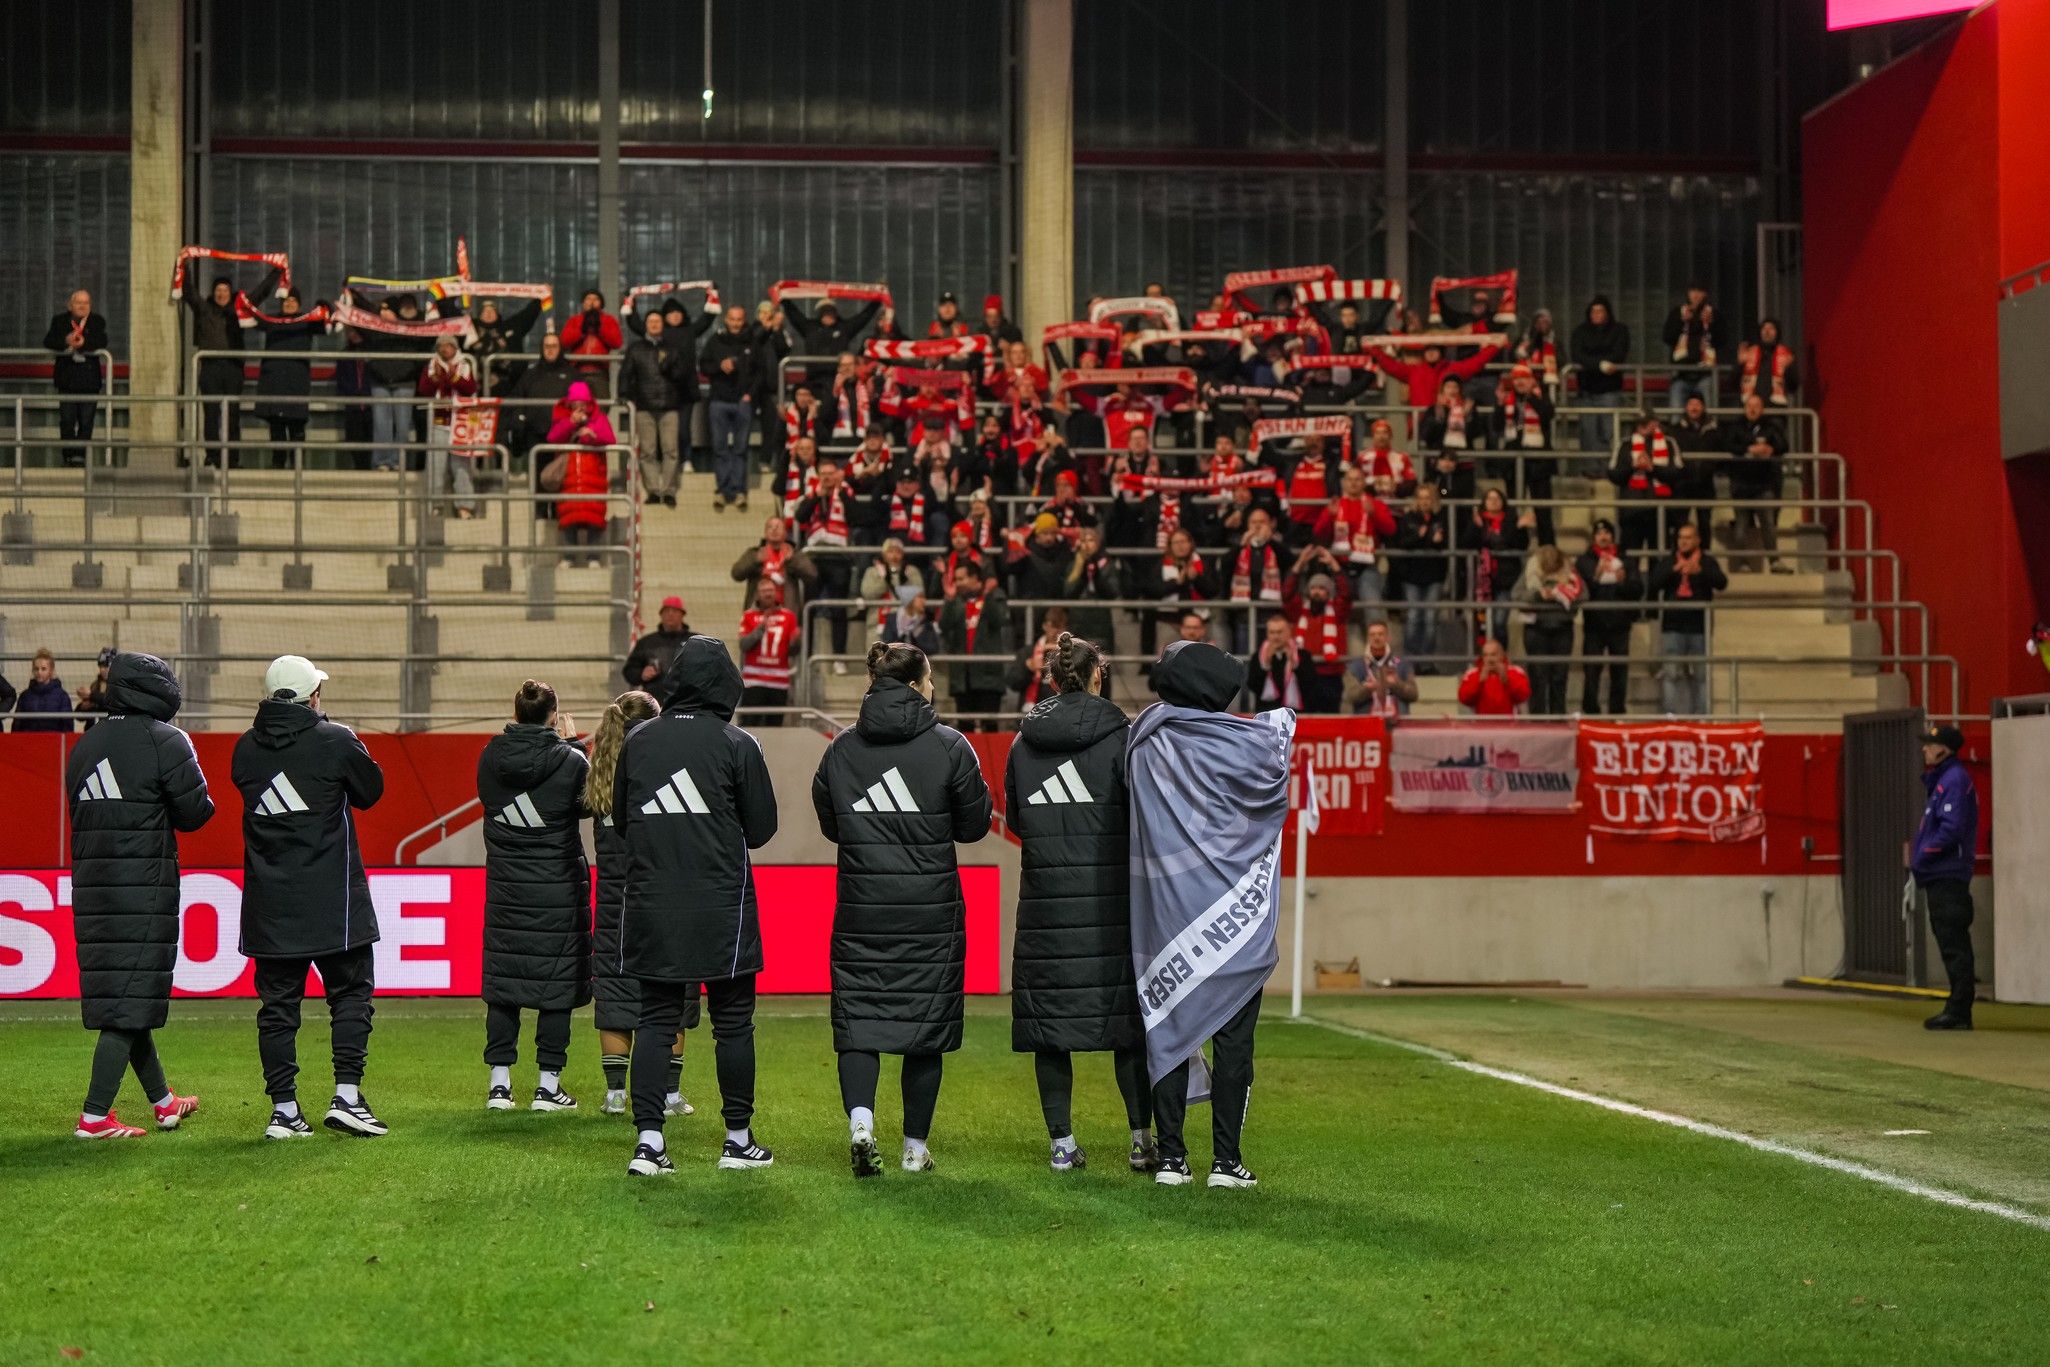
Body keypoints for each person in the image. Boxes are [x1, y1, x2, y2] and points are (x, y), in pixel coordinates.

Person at [811, 641, 993, 1177]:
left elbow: (831, 823)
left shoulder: (841, 749)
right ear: (916, 684)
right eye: (931, 678)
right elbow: (975, 824)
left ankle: (862, 1124)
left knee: (860, 1021)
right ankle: (915, 1149)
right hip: (930, 911)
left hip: (862, 907)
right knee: (925, 1026)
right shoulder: (951, 745)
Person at [1129, 638, 1293, 1188]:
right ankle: (1227, 1161)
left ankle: (1172, 1159)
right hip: (1234, 922)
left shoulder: (1147, 740)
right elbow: (1275, 753)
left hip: (1169, 916)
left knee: (1168, 1027)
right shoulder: (1244, 742)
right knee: (1235, 1044)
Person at [615, 636, 780, 1176]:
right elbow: (761, 830)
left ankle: (649, 1144)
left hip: (651, 901)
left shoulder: (637, 741)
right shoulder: (738, 744)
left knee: (657, 1020)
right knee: (733, 1023)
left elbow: (619, 817)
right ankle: (737, 1139)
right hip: (721, 906)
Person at [1003, 632, 1154, 1174]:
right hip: (1113, 908)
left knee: (1051, 1030)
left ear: (1050, 680)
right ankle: (1142, 1141)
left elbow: (1017, 822)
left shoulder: (1023, 746)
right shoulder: (1126, 740)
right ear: (1098, 676)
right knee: (1128, 1028)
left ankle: (1062, 1145)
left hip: (1045, 909)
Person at [231, 655, 387, 1139]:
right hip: (333, 903)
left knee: (277, 1010)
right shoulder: (335, 739)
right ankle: (347, 1097)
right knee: (351, 997)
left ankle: (283, 1110)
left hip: (270, 904)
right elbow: (371, 791)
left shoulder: (244, 749)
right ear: (311, 696)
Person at [65, 652, 214, 1139]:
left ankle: (164, 1103)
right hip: (144, 889)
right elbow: (196, 813)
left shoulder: (84, 746)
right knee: (130, 1000)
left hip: (93, 888)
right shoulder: (165, 741)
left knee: (128, 997)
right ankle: (94, 1117)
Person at [475, 679, 592, 1113]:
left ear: (516, 712)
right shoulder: (570, 759)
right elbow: (588, 804)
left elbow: (489, 798)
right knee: (556, 983)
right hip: (556, 888)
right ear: (553, 716)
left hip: (507, 887)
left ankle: (499, 1085)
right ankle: (547, 1085)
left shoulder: (490, 756)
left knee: (504, 985)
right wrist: (576, 745)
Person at [586, 690, 691, 1120]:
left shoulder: (599, 776)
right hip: (662, 896)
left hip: (613, 901)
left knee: (614, 997)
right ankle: (668, 1095)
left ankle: (614, 1095)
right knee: (673, 996)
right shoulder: (657, 771)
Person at [1911, 724, 1979, 1031]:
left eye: (1930, 744)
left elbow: (1951, 829)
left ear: (1944, 749)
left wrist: (1924, 855)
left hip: (1947, 874)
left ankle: (1959, 1010)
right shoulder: (1944, 780)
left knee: (1954, 944)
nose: (1925, 748)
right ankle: (1957, 1007)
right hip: (1941, 874)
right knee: (1951, 942)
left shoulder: (1952, 781)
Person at [620, 304, 698, 509]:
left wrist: (671, 364)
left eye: (657, 321)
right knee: (647, 451)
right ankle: (653, 490)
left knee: (671, 450)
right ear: (645, 326)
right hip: (644, 406)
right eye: (650, 322)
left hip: (670, 406)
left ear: (662, 325)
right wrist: (623, 395)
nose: (654, 325)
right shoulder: (635, 349)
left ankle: (670, 490)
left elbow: (682, 376)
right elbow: (626, 374)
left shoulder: (673, 349)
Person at [1648, 523, 1726, 715]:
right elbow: (1652, 584)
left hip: (1699, 627)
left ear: (1697, 540)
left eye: (1688, 537)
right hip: (1673, 626)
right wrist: (1674, 570)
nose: (1683, 541)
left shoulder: (1707, 562)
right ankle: (1670, 717)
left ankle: (1701, 718)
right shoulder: (1669, 561)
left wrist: (1701, 572)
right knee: (1670, 675)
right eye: (1681, 537)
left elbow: (1722, 583)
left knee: (1701, 676)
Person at [252, 290, 325, 469]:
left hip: (296, 382)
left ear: (299, 304)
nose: (289, 303)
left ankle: (298, 464)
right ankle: (278, 463)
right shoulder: (272, 321)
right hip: (274, 381)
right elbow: (250, 317)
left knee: (296, 426)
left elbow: (325, 321)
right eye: (286, 300)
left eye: (293, 300)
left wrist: (323, 304)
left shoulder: (307, 322)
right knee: (276, 427)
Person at [701, 305, 765, 512]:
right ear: (726, 320)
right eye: (732, 319)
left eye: (739, 320)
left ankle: (739, 491)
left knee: (740, 449)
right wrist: (719, 366)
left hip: (742, 403)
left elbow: (760, 373)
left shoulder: (752, 343)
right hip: (718, 401)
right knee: (720, 449)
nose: (736, 323)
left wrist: (750, 396)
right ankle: (722, 489)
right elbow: (703, 366)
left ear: (744, 321)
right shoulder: (715, 341)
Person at [1576, 519, 1641, 715]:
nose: (1603, 537)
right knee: (1591, 671)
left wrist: (1622, 582)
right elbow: (1582, 590)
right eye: (1599, 533)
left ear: (1613, 536)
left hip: (1620, 624)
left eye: (1607, 533)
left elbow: (1638, 589)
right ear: (1594, 537)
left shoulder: (1626, 560)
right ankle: (1590, 712)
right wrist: (1595, 577)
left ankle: (1617, 712)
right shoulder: (1584, 561)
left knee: (1619, 672)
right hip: (1594, 624)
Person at [545, 380, 615, 563]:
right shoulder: (562, 417)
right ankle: (568, 557)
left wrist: (589, 435)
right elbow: (553, 437)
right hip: (569, 479)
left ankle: (593, 558)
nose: (579, 408)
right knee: (569, 519)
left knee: (594, 519)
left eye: (582, 404)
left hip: (593, 478)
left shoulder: (599, 418)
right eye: (575, 405)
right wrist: (570, 424)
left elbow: (609, 438)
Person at [938, 558, 1011, 727]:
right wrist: (948, 600)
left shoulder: (995, 595)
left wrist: (987, 596)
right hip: (962, 676)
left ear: (974, 578)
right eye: (956, 579)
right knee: (965, 727)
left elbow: (1000, 620)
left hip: (989, 675)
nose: (958, 583)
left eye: (961, 579)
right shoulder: (954, 601)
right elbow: (944, 626)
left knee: (990, 726)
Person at [184, 274, 247, 468]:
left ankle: (233, 458)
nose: (221, 294)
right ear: (213, 293)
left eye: (225, 290)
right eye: (218, 290)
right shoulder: (204, 310)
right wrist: (182, 265)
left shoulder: (238, 310)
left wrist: (277, 271)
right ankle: (212, 455)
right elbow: (189, 293)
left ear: (230, 292)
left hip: (233, 368)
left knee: (232, 414)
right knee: (211, 413)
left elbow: (260, 294)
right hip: (210, 368)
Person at [365, 293, 431, 472]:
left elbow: (426, 338)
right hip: (380, 380)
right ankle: (381, 461)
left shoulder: (412, 329)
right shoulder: (374, 328)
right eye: (382, 309)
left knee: (403, 425)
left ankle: (397, 461)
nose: (384, 313)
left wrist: (412, 369)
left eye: (388, 309)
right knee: (381, 425)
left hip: (405, 380)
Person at [1514, 546, 1584, 715]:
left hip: (1562, 628)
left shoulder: (1570, 572)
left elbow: (1583, 594)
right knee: (1538, 677)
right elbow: (1517, 595)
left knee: (1559, 677)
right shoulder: (1531, 570)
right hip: (1536, 629)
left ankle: (1558, 717)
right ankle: (1537, 718)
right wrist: (1538, 595)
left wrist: (1563, 594)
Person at [1389, 483, 1451, 673]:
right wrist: (1420, 536)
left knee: (1430, 618)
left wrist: (1437, 542)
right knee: (1414, 617)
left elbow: (1445, 545)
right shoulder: (1408, 519)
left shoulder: (1441, 519)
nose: (1424, 501)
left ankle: (1427, 662)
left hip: (1434, 575)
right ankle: (1411, 661)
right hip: (1412, 575)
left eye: (1428, 498)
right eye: (1421, 497)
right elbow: (1402, 543)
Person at [45, 288, 109, 467]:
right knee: (66, 420)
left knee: (86, 421)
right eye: (79, 303)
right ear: (70, 305)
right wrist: (66, 340)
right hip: (67, 379)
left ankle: (80, 457)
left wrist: (84, 343)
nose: (82, 306)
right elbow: (48, 341)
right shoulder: (59, 321)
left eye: (86, 303)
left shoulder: (97, 321)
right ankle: (68, 457)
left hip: (89, 380)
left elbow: (102, 341)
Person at [418, 335, 480, 518]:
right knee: (436, 465)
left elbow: (469, 388)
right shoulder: (431, 365)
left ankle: (465, 506)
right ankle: (434, 504)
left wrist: (451, 377)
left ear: (454, 347)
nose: (444, 349)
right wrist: (437, 378)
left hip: (460, 422)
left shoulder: (465, 365)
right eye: (441, 346)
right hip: (438, 421)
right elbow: (423, 389)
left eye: (448, 345)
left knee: (462, 466)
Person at [1610, 410, 1686, 557]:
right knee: (1630, 559)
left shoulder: (1669, 443)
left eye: (1646, 423)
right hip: (1632, 512)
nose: (1642, 427)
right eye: (1640, 423)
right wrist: (1633, 467)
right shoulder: (1625, 444)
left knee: (1658, 561)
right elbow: (1614, 475)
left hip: (1660, 512)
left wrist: (1652, 469)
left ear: (1656, 423)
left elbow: (1678, 473)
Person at [1727, 392, 1789, 572]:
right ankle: (1742, 563)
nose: (1752, 409)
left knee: (1768, 524)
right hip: (1741, 484)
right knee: (1740, 526)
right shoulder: (1736, 426)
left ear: (1762, 409)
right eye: (1749, 406)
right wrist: (1748, 448)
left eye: (1756, 406)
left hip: (1764, 484)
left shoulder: (1770, 426)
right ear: (1745, 408)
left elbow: (1784, 445)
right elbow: (1728, 444)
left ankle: (1775, 561)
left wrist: (1771, 448)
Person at [1283, 557, 1353, 714]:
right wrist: (1299, 564)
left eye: (1322, 588)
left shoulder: (1338, 612)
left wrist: (1334, 566)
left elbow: (1346, 593)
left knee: (1330, 721)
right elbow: (1287, 594)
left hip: (1331, 676)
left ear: (1329, 592)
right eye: (1313, 588)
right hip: (1303, 674)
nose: (1317, 592)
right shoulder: (1299, 611)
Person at [1570, 295, 1631, 457]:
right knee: (1588, 433)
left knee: (1609, 432)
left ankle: (1608, 469)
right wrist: (1600, 364)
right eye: (1593, 311)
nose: (1596, 314)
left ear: (1608, 313)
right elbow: (1577, 355)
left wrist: (1591, 361)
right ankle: (1591, 470)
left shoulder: (1619, 330)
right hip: (1586, 390)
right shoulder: (1580, 331)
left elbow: (1618, 354)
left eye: (1600, 311)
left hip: (1609, 390)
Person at [731, 514, 819, 615]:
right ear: (765, 533)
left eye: (778, 527)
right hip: (757, 616)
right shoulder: (754, 553)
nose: (774, 530)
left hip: (786, 617)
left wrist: (792, 560)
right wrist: (755, 560)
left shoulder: (794, 554)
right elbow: (736, 574)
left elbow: (812, 574)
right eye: (770, 527)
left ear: (785, 533)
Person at [738, 580, 799, 721]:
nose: (768, 594)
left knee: (775, 727)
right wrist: (760, 628)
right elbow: (744, 645)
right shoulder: (748, 616)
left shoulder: (789, 616)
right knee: (750, 727)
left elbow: (793, 652)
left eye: (771, 590)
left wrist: (795, 642)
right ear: (757, 595)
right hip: (754, 681)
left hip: (778, 681)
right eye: (764, 591)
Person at [1661, 284, 1722, 411]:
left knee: (1711, 412)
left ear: (1705, 294)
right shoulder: (1677, 312)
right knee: (1676, 410)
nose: (1695, 295)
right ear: (1688, 293)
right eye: (1693, 291)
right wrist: (1681, 321)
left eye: (1699, 291)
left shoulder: (1713, 313)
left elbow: (1721, 341)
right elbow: (1667, 338)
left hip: (1705, 374)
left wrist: (1712, 324)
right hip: (1681, 375)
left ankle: (1711, 430)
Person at [1343, 621, 1418, 718]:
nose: (1376, 638)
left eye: (1380, 634)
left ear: (1387, 638)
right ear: (1368, 638)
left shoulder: (1402, 664)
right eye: (1372, 635)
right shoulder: (1355, 666)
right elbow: (1351, 696)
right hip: (1366, 723)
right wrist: (1367, 689)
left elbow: (1414, 695)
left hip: (1398, 722)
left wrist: (1396, 684)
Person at [859, 537, 925, 647]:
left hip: (905, 624)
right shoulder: (872, 572)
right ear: (884, 554)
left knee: (902, 661)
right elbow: (867, 593)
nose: (894, 555)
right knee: (877, 661)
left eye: (897, 551)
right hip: (878, 625)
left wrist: (903, 579)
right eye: (890, 551)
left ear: (903, 554)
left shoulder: (911, 571)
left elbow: (919, 595)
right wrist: (885, 580)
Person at [559, 290, 624, 391]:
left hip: (600, 370)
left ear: (601, 304)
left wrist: (600, 329)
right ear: (583, 303)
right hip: (577, 370)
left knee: (601, 404)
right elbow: (564, 342)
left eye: (596, 299)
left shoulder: (609, 320)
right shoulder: (574, 320)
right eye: (588, 299)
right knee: (578, 404)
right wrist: (581, 331)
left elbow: (617, 343)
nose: (592, 302)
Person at [623, 596, 690, 688]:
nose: (670, 614)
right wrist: (641, 674)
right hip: (655, 700)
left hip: (686, 700)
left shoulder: (696, 642)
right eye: (666, 611)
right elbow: (629, 671)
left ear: (682, 615)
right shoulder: (646, 643)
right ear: (661, 615)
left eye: (674, 611)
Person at [1457, 638, 1531, 717]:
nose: (1489, 659)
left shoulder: (1515, 672)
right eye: (1485, 655)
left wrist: (1507, 681)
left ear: (1502, 655)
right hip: (1480, 725)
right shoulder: (1472, 674)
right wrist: (1479, 682)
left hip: (1509, 725)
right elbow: (1464, 699)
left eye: (1493, 654)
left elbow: (1523, 696)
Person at [1245, 613, 1304, 711]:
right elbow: (1253, 686)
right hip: (1266, 712)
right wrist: (1266, 664)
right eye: (1272, 632)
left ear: (1289, 632)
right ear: (1267, 634)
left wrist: (1294, 664)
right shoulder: (1258, 656)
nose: (1276, 636)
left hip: (1296, 714)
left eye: (1280, 632)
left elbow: (1309, 685)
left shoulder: (1302, 655)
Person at [1737, 319, 1798, 408]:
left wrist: (1790, 368)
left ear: (1777, 333)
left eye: (1771, 328)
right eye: (1764, 328)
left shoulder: (1786, 355)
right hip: (1750, 407)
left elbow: (1793, 387)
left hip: (1776, 408)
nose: (1767, 331)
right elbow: (1733, 384)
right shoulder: (1748, 353)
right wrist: (1739, 365)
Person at [11, 647, 73, 732]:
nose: (39, 672)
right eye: (36, 669)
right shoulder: (25, 696)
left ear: (51, 671)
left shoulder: (62, 696)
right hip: (28, 741)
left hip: (53, 742)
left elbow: (67, 726)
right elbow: (17, 725)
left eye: (43, 669)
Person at [73, 646, 115, 727]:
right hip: (93, 730)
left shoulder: (119, 686)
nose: (102, 669)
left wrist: (91, 695)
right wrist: (83, 707)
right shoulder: (95, 685)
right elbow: (79, 717)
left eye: (106, 666)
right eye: (101, 666)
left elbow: (111, 702)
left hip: (109, 730)